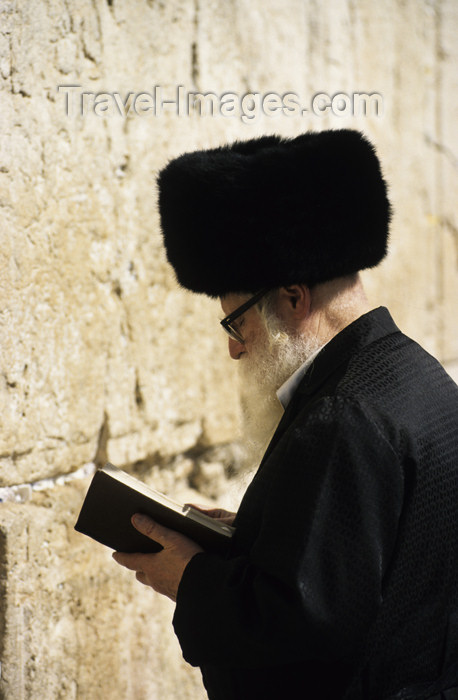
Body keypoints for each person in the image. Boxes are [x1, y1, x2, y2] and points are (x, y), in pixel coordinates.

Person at [112, 130, 458, 699]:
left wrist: (189, 579)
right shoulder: (416, 375)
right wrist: (253, 537)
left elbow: (303, 624)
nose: (235, 348)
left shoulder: (344, 416)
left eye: (236, 322)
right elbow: (356, 565)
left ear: (293, 296)